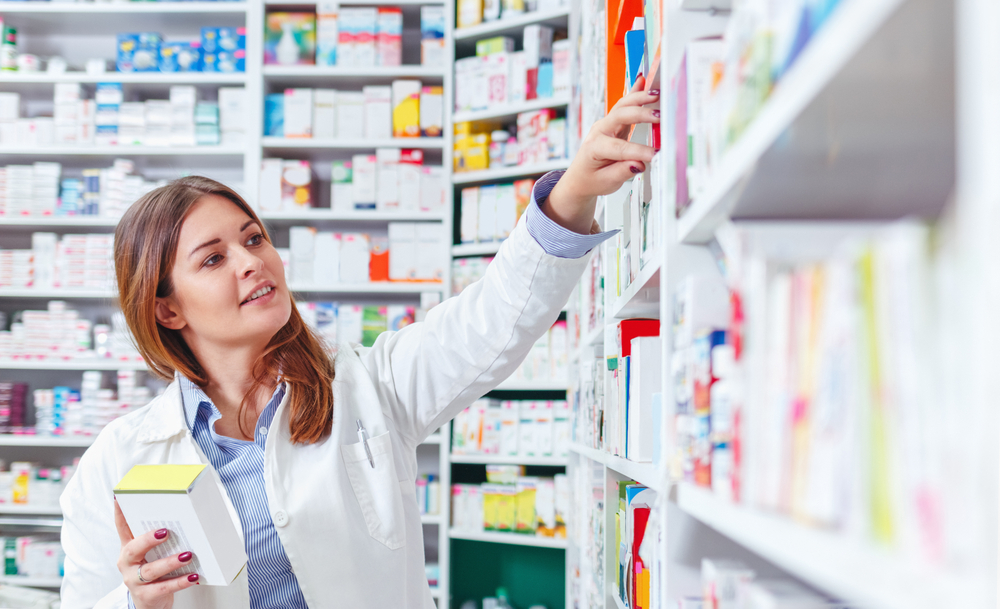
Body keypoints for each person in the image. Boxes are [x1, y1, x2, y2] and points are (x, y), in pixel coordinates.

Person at [59, 80, 659, 609]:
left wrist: (574, 192)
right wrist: (139, 601)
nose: (251, 261)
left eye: (254, 238)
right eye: (214, 258)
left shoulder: (371, 385)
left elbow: (494, 318)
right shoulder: (116, 463)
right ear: (165, 308)